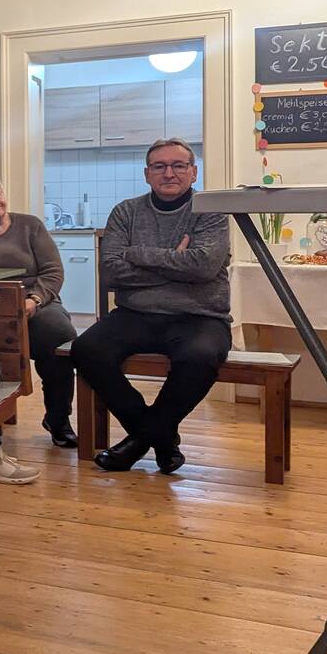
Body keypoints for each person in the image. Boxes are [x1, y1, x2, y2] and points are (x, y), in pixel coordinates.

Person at [71, 138, 230, 475]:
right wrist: (176, 261)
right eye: (159, 166)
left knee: (200, 357)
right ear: (147, 174)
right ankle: (161, 438)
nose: (169, 173)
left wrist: (137, 254)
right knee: (85, 349)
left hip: (199, 317)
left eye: (178, 165)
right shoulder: (125, 212)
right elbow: (111, 272)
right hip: (135, 314)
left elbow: (203, 267)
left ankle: (139, 440)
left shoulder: (210, 210)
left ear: (193, 172)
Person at [0, 170, 77, 451]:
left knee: (58, 334)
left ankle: (58, 418)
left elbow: (53, 271)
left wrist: (34, 300)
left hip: (33, 302)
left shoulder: (30, 225)